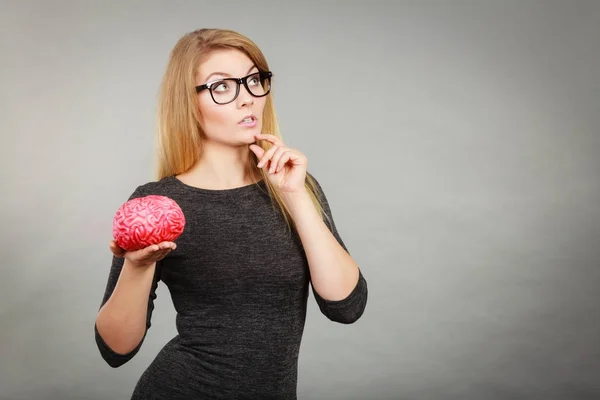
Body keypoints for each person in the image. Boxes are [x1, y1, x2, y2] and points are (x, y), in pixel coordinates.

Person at [94, 28, 368, 400]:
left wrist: (295, 198)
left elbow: (346, 307)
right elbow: (115, 350)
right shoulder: (158, 203)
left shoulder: (294, 184)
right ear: (188, 103)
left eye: (254, 80)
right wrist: (137, 267)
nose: (247, 100)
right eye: (222, 87)